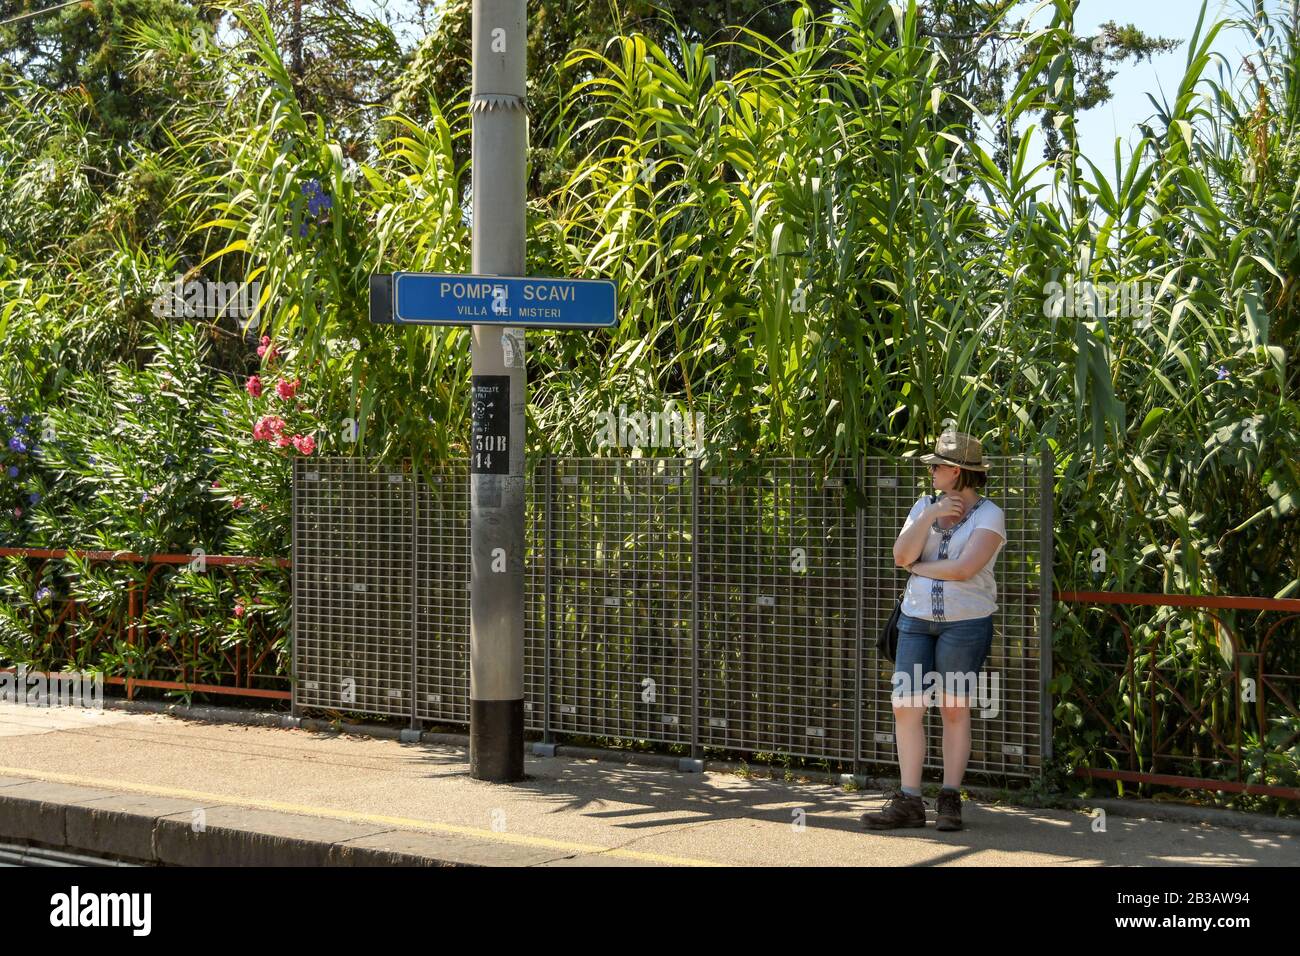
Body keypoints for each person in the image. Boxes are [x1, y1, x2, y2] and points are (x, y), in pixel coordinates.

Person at [861, 431, 1006, 832]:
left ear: (957, 472)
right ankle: (909, 799)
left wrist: (920, 569)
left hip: (965, 624)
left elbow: (964, 570)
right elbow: (900, 555)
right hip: (916, 621)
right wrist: (927, 516)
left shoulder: (989, 515)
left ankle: (949, 797)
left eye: (937, 465)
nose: (931, 471)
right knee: (906, 706)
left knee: (953, 708)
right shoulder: (923, 505)